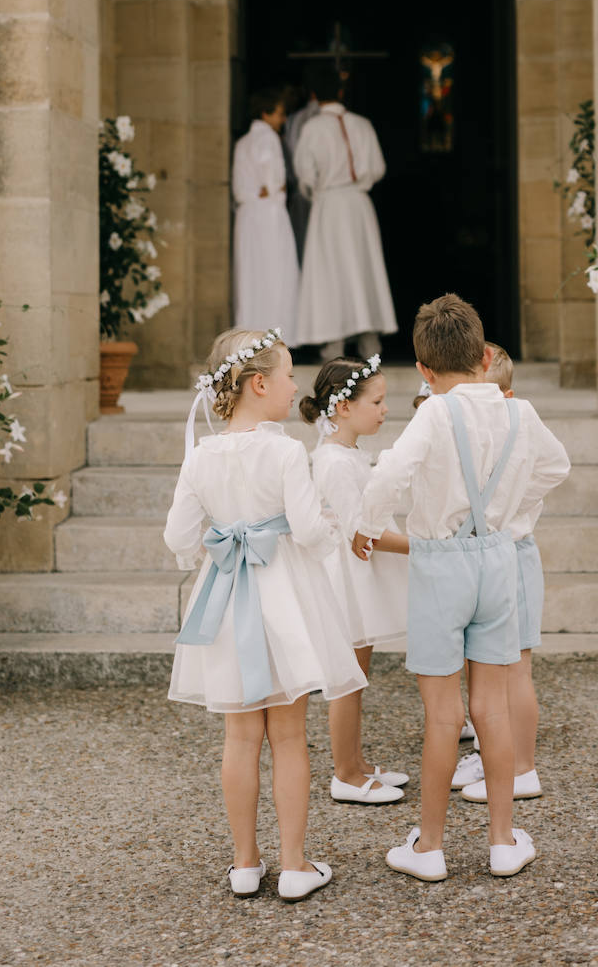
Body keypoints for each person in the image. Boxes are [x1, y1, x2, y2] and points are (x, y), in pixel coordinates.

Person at [353, 295, 569, 881]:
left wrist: (366, 528)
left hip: (440, 566)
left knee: (443, 715)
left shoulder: (434, 412)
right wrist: (509, 513)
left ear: (423, 370)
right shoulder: (517, 411)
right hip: (498, 560)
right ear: (481, 355)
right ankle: (502, 842)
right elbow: (557, 467)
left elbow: (390, 475)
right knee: (491, 709)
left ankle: (430, 849)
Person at [163, 327, 366, 902]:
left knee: (240, 735)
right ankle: (296, 865)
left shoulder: (202, 455)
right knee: (291, 735)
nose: (295, 384)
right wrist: (328, 528)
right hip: (283, 600)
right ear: (259, 384)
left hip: (229, 598)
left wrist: (217, 543)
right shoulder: (283, 450)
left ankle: (245, 864)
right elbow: (306, 530)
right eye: (290, 375)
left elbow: (178, 535)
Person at [300, 355, 409, 806]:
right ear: (344, 407)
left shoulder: (349, 455)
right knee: (347, 677)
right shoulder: (334, 462)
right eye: (377, 401)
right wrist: (424, 546)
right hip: (343, 581)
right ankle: (344, 773)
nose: (385, 410)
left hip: (357, 577)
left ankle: (356, 762)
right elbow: (359, 533)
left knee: (358, 672)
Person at [452, 343, 546, 802]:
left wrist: (518, 506)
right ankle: (495, 755)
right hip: (490, 550)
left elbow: (557, 467)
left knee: (517, 668)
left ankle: (523, 768)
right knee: (492, 665)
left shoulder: (521, 417)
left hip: (515, 549)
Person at [293, 63, 396, 359]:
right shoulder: (363, 124)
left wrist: (314, 191)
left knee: (331, 272)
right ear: (340, 91)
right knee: (363, 268)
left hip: (328, 205)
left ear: (313, 95)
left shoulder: (312, 128)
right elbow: (377, 168)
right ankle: (369, 341)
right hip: (359, 204)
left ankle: (333, 342)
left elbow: (305, 174)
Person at [232, 89, 299, 345]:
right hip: (268, 215)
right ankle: (276, 333)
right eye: (280, 114)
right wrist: (274, 190)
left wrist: (261, 190)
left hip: (248, 215)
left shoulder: (242, 142)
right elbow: (274, 183)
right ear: (265, 113)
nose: (283, 120)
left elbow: (242, 189)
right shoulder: (269, 139)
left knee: (250, 274)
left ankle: (251, 334)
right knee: (274, 272)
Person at [283, 75, 319, 260]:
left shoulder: (294, 119)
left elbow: (291, 155)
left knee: (304, 245)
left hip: (301, 188)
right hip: (320, 191)